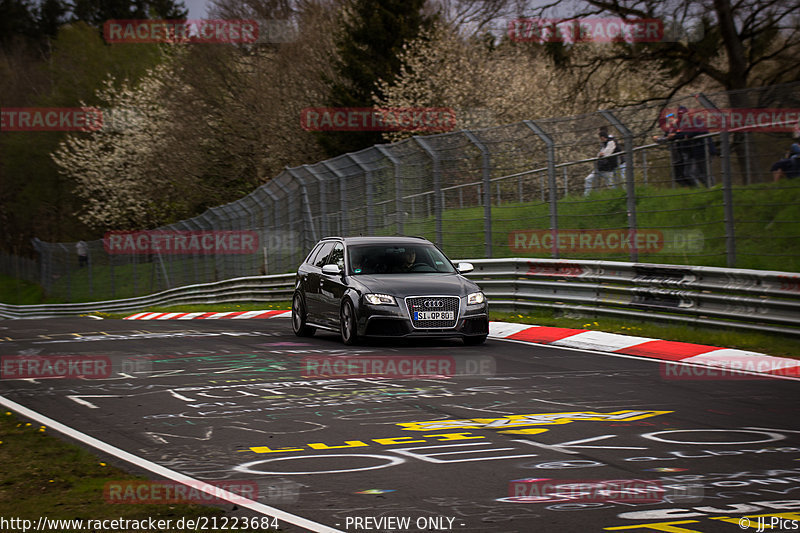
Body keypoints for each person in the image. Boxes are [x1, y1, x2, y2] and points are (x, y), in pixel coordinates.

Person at [653, 106, 696, 187]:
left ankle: (695, 189)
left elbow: (678, 136)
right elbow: (667, 138)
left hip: (684, 152)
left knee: (687, 174)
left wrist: (672, 136)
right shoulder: (671, 129)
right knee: (677, 176)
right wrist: (658, 139)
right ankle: (689, 190)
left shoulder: (682, 125)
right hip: (676, 154)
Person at [584, 127, 619, 196]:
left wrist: (601, 155)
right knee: (588, 179)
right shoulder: (604, 144)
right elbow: (600, 154)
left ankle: (616, 195)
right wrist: (600, 155)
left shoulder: (611, 142)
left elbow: (606, 154)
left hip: (607, 168)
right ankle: (586, 196)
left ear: (602, 137)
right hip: (600, 168)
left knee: (610, 184)